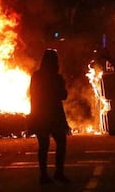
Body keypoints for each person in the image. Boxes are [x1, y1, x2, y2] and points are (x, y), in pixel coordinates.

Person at [28, 49, 71, 184]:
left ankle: (44, 174)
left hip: (39, 114)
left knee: (43, 146)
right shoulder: (56, 77)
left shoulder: (36, 76)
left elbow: (32, 94)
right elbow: (63, 95)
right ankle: (59, 172)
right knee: (61, 143)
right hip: (54, 114)